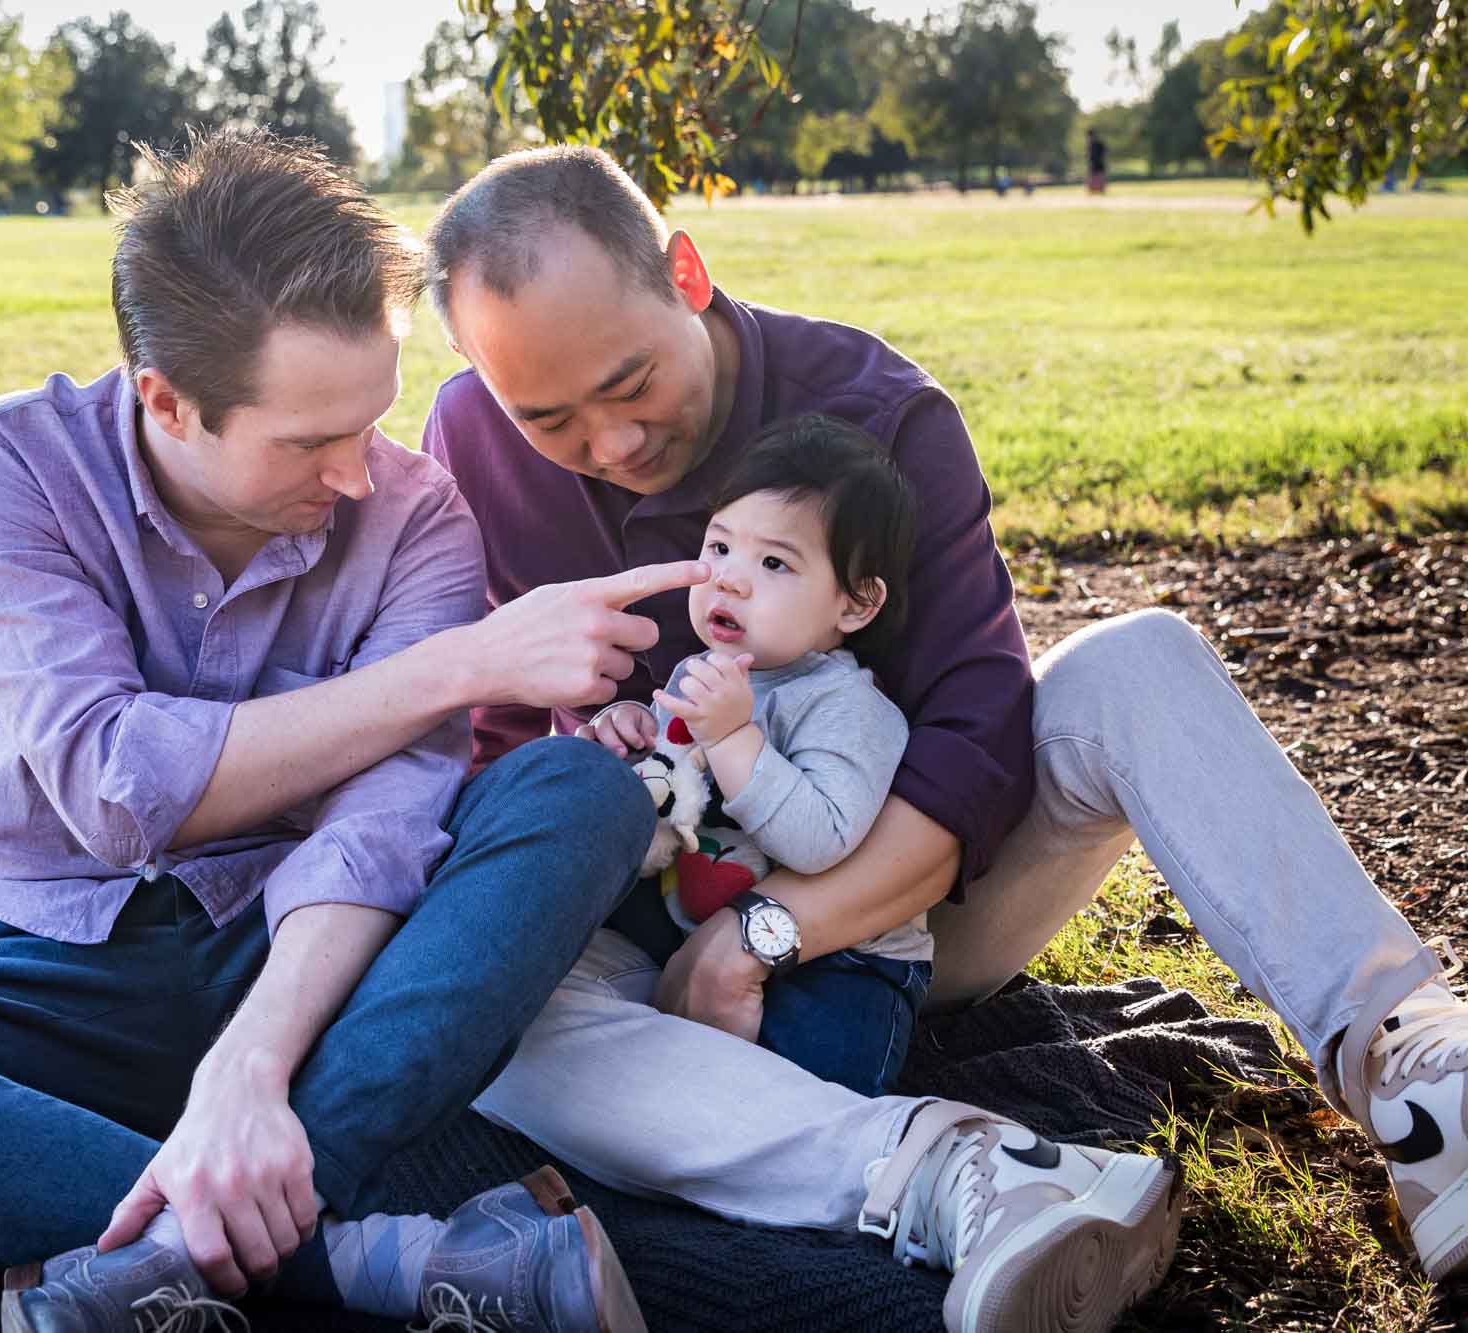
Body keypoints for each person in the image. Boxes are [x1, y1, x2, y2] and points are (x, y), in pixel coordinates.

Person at [419, 144, 1468, 1331]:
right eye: (546, 417)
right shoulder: (465, 441)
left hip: (897, 909)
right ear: (477, 381)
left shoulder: (879, 413)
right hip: (646, 924)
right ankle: (962, 1176)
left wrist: (766, 934)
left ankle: (1409, 1063)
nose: (608, 445)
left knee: (1136, 664)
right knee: (481, 1006)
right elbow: (472, 758)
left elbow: (974, 752)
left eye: (630, 383)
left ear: (686, 273)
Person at [0, 131, 694, 1333]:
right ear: (165, 398)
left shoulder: (416, 507)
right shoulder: (6, 463)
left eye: (368, 421)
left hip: (303, 961)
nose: (359, 474)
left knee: (573, 794)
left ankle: (162, 1239)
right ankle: (363, 1258)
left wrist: (251, 1065)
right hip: (39, 953)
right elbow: (113, 786)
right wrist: (454, 665)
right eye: (308, 441)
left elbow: (382, 820)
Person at [580, 416, 932, 1098]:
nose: (730, 581)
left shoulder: (849, 707)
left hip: (839, 956)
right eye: (720, 547)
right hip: (694, 910)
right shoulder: (697, 673)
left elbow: (818, 843)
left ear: (855, 605)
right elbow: (667, 790)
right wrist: (623, 731)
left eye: (774, 562)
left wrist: (736, 738)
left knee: (815, 1070)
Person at [1086, 130, 1108, 195]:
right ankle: (1091, 192)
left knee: (1100, 178)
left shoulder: (1099, 143)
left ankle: (1101, 191)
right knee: (1092, 179)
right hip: (1093, 164)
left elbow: (1105, 152)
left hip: (1099, 164)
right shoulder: (1090, 145)